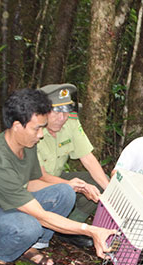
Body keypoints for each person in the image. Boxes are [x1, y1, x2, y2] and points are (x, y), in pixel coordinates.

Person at [0, 88, 117, 265]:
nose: (42, 134)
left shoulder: (26, 144)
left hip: (11, 206)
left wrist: (69, 186)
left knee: (64, 191)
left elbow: (34, 182)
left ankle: (29, 246)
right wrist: (90, 230)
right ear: (17, 125)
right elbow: (40, 216)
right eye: (38, 128)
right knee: (30, 225)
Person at [37, 83, 110, 248]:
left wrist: (110, 191)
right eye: (56, 112)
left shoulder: (70, 123)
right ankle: (43, 226)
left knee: (101, 181)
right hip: (34, 184)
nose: (62, 118)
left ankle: (69, 228)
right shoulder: (33, 129)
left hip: (56, 178)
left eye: (66, 112)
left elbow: (88, 159)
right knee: (66, 189)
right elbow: (40, 175)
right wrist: (77, 186)